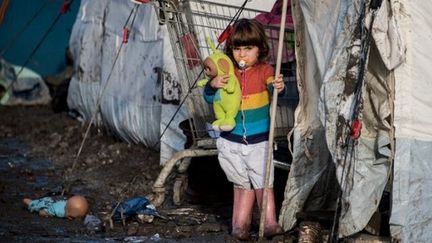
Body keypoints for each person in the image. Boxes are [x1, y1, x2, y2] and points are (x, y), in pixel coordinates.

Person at [203, 18, 285, 240]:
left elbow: (274, 86)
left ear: (260, 49)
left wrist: (277, 86)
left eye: (248, 49)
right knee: (240, 183)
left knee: (263, 182)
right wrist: (212, 86)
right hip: (231, 139)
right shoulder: (227, 72)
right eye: (237, 49)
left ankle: (269, 222)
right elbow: (209, 97)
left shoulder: (265, 69)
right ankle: (240, 225)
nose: (242, 54)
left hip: (259, 140)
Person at [23, 195, 88, 220]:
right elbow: (42, 212)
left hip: (54, 199)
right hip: (46, 203)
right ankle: (26, 200)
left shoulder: (67, 204)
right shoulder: (58, 211)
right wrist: (44, 214)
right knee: (33, 203)